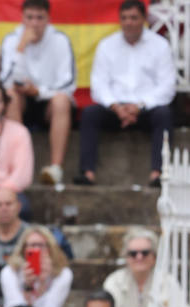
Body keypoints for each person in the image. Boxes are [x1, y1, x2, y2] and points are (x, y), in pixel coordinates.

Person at [77, 0, 175, 187]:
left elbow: (167, 87)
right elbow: (99, 85)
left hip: (147, 107)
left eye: (133, 18)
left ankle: (158, 173)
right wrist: (117, 107)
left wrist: (139, 107)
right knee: (90, 114)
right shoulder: (107, 45)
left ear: (144, 19)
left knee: (164, 115)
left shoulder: (160, 45)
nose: (129, 22)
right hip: (115, 108)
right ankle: (87, 173)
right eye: (124, 18)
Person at [1, 0, 76, 187]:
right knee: (10, 96)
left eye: (39, 18)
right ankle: (16, 164)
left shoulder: (60, 40)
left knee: (62, 101)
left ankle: (55, 167)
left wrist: (39, 91)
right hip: (22, 103)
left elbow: (67, 83)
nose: (34, 23)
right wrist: (21, 48)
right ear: (22, 18)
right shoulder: (12, 40)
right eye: (30, 17)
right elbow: (5, 81)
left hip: (49, 103)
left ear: (48, 18)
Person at [0, 225, 72, 307]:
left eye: (41, 245)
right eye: (31, 245)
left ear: (50, 248)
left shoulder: (63, 274)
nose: (36, 249)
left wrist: (42, 285)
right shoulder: (9, 272)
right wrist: (28, 286)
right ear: (23, 249)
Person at [103, 228, 172, 307]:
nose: (139, 257)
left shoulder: (167, 281)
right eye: (133, 253)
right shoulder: (114, 281)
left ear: (154, 257)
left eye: (145, 253)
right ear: (126, 257)